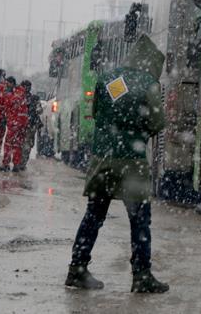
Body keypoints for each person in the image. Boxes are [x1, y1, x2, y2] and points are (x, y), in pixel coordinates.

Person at [65, 35, 169, 294]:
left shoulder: (108, 79)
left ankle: (77, 268)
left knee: (94, 215)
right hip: (131, 162)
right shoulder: (150, 83)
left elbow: (97, 113)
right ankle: (141, 275)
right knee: (139, 220)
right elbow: (157, 123)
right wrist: (137, 133)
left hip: (103, 159)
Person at [2, 77, 28, 172]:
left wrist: (6, 95)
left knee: (8, 143)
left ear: (12, 83)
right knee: (18, 144)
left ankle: (6, 164)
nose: (6, 86)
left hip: (15, 122)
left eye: (7, 83)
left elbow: (8, 105)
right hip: (23, 123)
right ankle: (16, 164)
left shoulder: (12, 96)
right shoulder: (21, 91)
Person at [19, 80, 43, 171]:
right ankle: (20, 163)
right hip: (23, 125)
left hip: (28, 125)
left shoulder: (33, 98)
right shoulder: (18, 97)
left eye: (28, 86)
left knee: (26, 145)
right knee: (24, 145)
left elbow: (39, 110)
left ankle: (21, 163)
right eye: (26, 86)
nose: (27, 88)